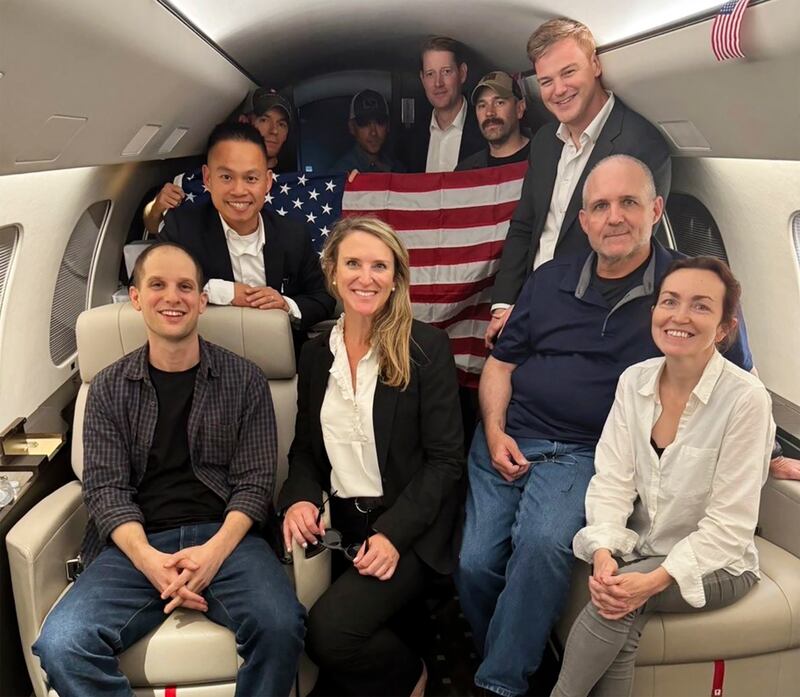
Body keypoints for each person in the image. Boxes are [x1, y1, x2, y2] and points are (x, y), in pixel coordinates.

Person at [455, 155, 755, 697]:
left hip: (588, 450)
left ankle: (500, 684)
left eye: (629, 203)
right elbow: (501, 363)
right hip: (509, 434)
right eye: (600, 206)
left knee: (543, 544)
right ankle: (506, 656)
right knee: (475, 564)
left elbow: (733, 382)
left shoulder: (685, 290)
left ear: (655, 209)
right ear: (585, 221)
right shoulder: (548, 281)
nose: (614, 217)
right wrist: (496, 430)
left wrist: (767, 454)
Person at [32, 242, 306, 697]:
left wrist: (211, 555)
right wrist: (153, 564)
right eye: (157, 285)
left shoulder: (245, 379)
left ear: (202, 300)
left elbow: (255, 485)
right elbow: (106, 492)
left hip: (227, 539)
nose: (172, 297)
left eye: (185, 287)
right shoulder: (107, 388)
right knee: (62, 644)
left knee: (280, 625)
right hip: (134, 545)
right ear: (136, 298)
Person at [551, 256, 774, 697]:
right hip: (641, 552)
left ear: (725, 327)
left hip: (718, 563)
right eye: (669, 301)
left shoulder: (746, 399)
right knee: (621, 613)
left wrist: (650, 581)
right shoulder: (633, 381)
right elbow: (612, 479)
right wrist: (605, 551)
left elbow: (729, 528)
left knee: (614, 607)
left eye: (701, 306)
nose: (680, 315)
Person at [278, 216, 465, 696]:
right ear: (332, 273)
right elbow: (306, 451)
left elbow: (446, 462)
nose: (366, 277)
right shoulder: (317, 354)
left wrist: (392, 536)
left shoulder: (427, 348)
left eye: (380, 266)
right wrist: (299, 498)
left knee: (329, 633)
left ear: (397, 278)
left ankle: (413, 678)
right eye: (354, 264)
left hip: (409, 527)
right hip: (342, 523)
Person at [486, 17, 672, 347]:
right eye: (546, 81)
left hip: (590, 316)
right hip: (529, 304)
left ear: (595, 65)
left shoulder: (640, 144)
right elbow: (524, 226)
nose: (558, 90)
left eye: (568, 72)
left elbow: (624, 253)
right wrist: (504, 306)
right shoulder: (544, 142)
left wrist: (548, 311)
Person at [159, 121, 335, 343]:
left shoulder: (293, 234)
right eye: (226, 177)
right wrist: (229, 293)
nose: (239, 191)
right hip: (208, 357)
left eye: (251, 178)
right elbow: (155, 281)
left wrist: (285, 304)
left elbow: (322, 299)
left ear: (268, 182)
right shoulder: (182, 227)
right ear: (207, 178)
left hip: (279, 357)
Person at [143, 88, 294, 235]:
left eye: (281, 124)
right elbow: (154, 227)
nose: (274, 131)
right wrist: (157, 207)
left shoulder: (296, 185)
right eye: (264, 120)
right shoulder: (202, 176)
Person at [402, 36, 484, 173]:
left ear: (462, 73)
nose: (438, 83)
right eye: (430, 74)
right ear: (422, 79)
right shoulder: (410, 139)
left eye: (446, 71)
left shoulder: (485, 129)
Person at [456, 70, 530, 171]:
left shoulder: (546, 159)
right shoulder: (465, 172)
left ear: (519, 108)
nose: (489, 113)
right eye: (482, 105)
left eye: (499, 103)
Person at [333, 89, 404, 173]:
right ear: (352, 127)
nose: (373, 132)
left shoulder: (396, 168)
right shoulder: (340, 174)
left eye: (380, 122)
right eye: (364, 123)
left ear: (388, 125)